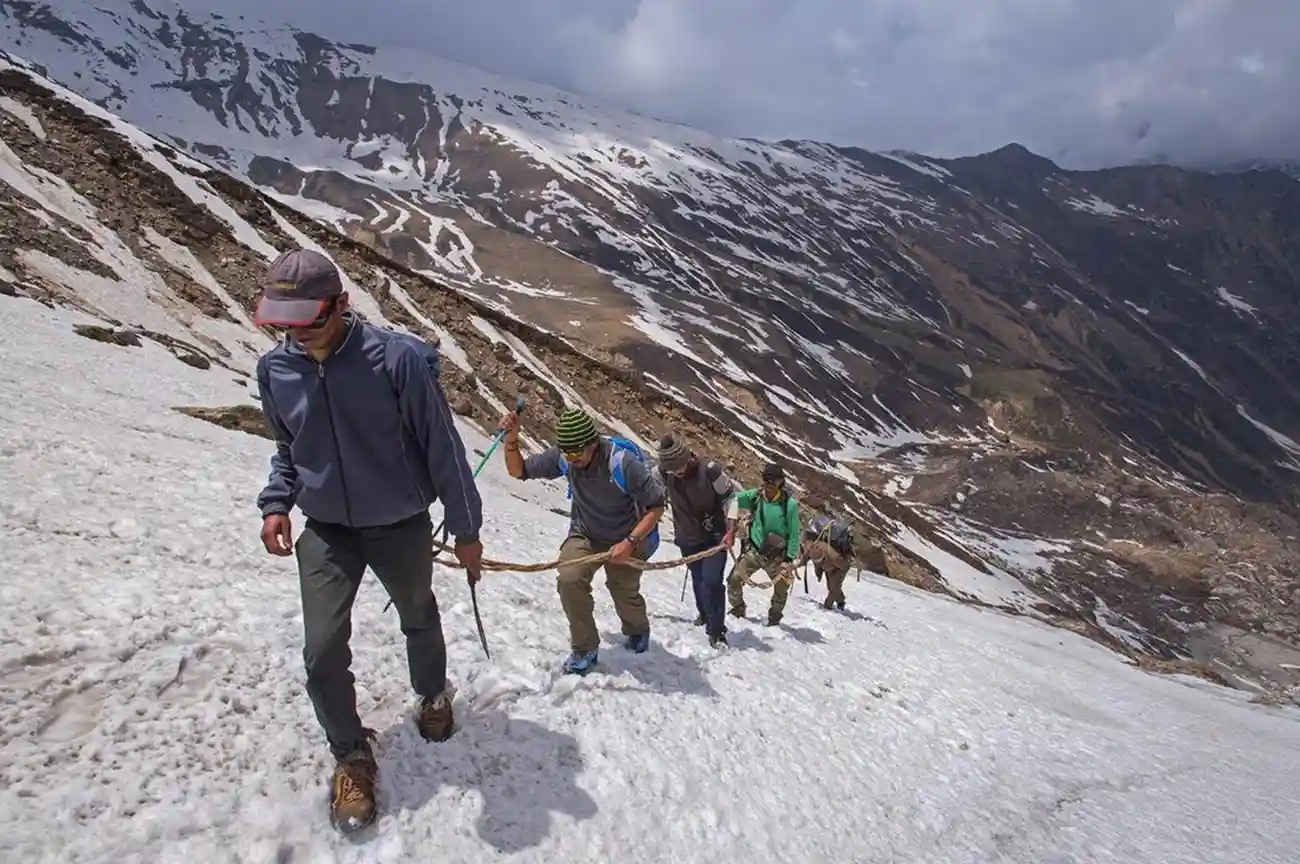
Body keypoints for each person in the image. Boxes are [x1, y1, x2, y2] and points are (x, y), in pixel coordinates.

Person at [252, 247, 485, 835]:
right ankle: (351, 754)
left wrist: (466, 529)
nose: (298, 336)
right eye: (285, 323)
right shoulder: (276, 371)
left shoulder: (397, 361)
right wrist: (277, 502)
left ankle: (433, 695)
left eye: (310, 320)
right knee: (322, 649)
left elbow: (442, 448)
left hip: (398, 522)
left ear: (342, 305)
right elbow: (290, 450)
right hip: (327, 528)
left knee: (417, 614)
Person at [500, 405, 666, 674]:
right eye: (567, 453)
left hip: (627, 535)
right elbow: (518, 471)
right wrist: (511, 440)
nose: (572, 459)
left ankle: (637, 630)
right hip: (586, 532)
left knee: (622, 588)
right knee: (569, 579)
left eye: (577, 452)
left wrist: (631, 542)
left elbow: (657, 505)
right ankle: (585, 647)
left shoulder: (622, 463)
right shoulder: (566, 456)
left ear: (593, 443)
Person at [656, 433, 739, 647]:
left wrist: (731, 530)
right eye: (672, 470)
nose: (677, 473)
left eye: (679, 467)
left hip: (715, 538)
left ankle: (717, 630)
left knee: (711, 581)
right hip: (687, 538)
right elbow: (649, 490)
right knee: (697, 577)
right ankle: (704, 613)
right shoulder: (663, 473)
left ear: (687, 457)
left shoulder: (711, 470)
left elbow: (731, 498)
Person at [727, 463, 801, 626]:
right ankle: (738, 608)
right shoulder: (755, 497)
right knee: (734, 580)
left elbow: (794, 534)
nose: (769, 484)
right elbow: (732, 499)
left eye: (773, 481)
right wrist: (731, 528)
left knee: (781, 589)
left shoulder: (790, 506)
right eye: (766, 479)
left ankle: (774, 617)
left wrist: (788, 560)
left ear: (781, 482)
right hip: (754, 550)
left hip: (777, 557)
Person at [800, 514, 853, 610]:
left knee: (833, 587)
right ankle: (840, 600)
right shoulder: (810, 548)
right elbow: (804, 559)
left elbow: (843, 565)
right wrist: (793, 566)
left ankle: (828, 606)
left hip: (839, 567)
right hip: (829, 566)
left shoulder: (831, 553)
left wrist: (840, 572)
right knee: (832, 586)